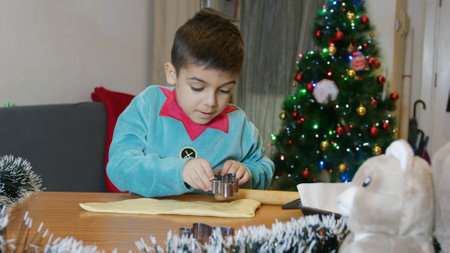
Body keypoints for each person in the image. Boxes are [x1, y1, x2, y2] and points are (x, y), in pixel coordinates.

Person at [106, 11, 274, 197]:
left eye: (224, 90)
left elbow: (264, 167)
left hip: (216, 224)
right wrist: (179, 172)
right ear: (172, 73)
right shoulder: (148, 104)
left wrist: (248, 173)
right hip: (151, 224)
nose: (211, 102)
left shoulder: (238, 123)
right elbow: (119, 166)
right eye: (197, 87)